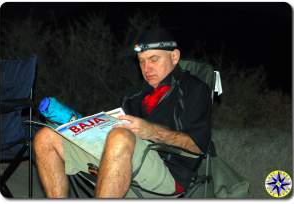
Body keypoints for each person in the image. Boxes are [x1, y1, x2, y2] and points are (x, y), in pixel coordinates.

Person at [33, 28, 212, 198]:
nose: (146, 68)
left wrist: (153, 132)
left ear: (174, 56)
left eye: (154, 59)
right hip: (121, 162)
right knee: (45, 137)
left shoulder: (194, 89)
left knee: (120, 135)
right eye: (141, 61)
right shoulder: (134, 96)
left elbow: (198, 146)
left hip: (168, 173)